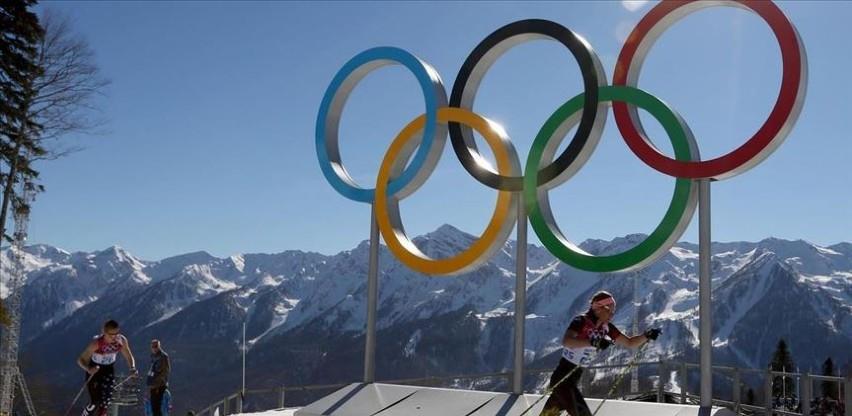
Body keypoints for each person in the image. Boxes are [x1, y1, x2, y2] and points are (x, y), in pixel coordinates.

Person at [539, 291, 661, 416]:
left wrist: (646, 336)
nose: (612, 315)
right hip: (562, 377)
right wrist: (593, 342)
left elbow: (630, 343)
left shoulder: (607, 328)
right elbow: (567, 341)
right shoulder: (581, 321)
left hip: (574, 378)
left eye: (613, 311)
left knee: (548, 415)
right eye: (610, 311)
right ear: (599, 309)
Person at [77, 319, 137, 416]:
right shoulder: (97, 343)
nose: (114, 338)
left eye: (116, 334)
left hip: (108, 370)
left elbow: (129, 356)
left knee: (105, 402)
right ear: (104, 332)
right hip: (95, 370)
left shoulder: (121, 341)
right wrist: (88, 369)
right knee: (95, 402)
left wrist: (132, 368)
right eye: (110, 335)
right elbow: (80, 359)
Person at [147, 339, 171, 416]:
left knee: (156, 406)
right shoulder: (153, 356)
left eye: (156, 346)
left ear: (159, 346)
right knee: (153, 407)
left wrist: (158, 382)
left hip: (159, 385)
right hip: (152, 384)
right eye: (153, 346)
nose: (154, 348)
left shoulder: (163, 356)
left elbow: (166, 371)